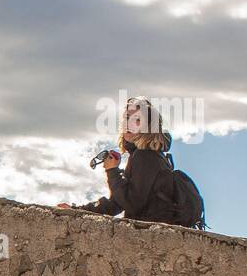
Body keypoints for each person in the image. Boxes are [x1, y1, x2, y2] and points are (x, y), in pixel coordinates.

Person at [62, 96, 179, 225]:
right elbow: (116, 204)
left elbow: (131, 205)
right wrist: (76, 210)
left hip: (150, 238)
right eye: (127, 118)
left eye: (138, 119)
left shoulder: (146, 156)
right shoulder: (145, 155)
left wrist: (112, 171)